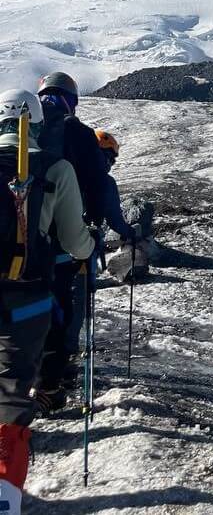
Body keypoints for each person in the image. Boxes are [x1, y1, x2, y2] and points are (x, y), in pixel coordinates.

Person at [0, 89, 95, 513]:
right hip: (29, 297)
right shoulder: (56, 167)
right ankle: (4, 494)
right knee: (11, 394)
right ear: (39, 123)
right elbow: (76, 244)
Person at [35, 72, 108, 413]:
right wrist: (92, 232)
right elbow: (97, 186)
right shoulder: (78, 134)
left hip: (17, 239)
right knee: (59, 307)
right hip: (64, 242)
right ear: (71, 99)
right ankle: (54, 380)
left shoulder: (25, 134)